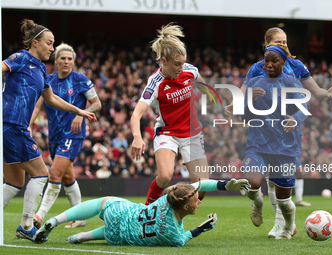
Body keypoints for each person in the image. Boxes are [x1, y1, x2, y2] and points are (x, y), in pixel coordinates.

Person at [225, 27, 332, 238]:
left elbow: (312, 94)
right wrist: (237, 104)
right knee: (261, 180)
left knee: (278, 184)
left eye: (286, 42)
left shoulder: (295, 66)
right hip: (261, 135)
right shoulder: (256, 70)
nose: (284, 46)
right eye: (279, 42)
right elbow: (241, 98)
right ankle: (270, 215)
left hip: (286, 137)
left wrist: (325, 93)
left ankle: (283, 225)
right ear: (266, 45)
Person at [2, 19, 96, 242]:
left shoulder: (42, 69)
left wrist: (79, 111)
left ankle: (28, 223)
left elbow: (51, 98)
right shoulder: (21, 58)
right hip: (12, 124)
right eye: (49, 43)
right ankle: (27, 225)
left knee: (15, 181)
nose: (52, 48)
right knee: (41, 173)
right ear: (35, 43)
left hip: (12, 127)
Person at [34, 178, 250, 245]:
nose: (199, 202)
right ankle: (82, 237)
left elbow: (199, 184)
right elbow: (184, 238)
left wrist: (223, 184)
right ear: (185, 207)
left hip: (119, 213)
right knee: (118, 230)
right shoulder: (173, 236)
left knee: (103, 202)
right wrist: (201, 229)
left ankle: (56, 220)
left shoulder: (169, 198)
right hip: (118, 238)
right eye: (196, 200)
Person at [131, 23, 210, 205]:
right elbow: (136, 114)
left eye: (182, 63)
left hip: (192, 133)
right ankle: (147, 211)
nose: (181, 68)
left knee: (202, 188)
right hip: (168, 133)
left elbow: (206, 88)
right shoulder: (155, 82)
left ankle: (175, 209)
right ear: (164, 61)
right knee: (165, 175)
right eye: (177, 64)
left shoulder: (189, 70)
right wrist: (137, 137)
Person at [30, 43, 102, 229]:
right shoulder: (48, 80)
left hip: (73, 133)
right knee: (67, 177)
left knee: (54, 172)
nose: (66, 61)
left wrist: (81, 114)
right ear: (55, 60)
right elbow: (38, 105)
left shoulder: (80, 80)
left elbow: (96, 103)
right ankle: (80, 218)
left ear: (73, 61)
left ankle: (38, 216)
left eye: (70, 59)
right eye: (62, 58)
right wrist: (29, 125)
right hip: (54, 135)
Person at [242, 43, 308, 239]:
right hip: (258, 142)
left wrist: (295, 119)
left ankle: (288, 226)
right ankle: (258, 201)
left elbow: (304, 107)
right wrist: (249, 101)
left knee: (283, 199)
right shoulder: (255, 82)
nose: (269, 65)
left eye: (274, 61)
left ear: (283, 62)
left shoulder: (291, 83)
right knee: (252, 181)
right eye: (266, 61)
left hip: (285, 146)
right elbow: (244, 116)